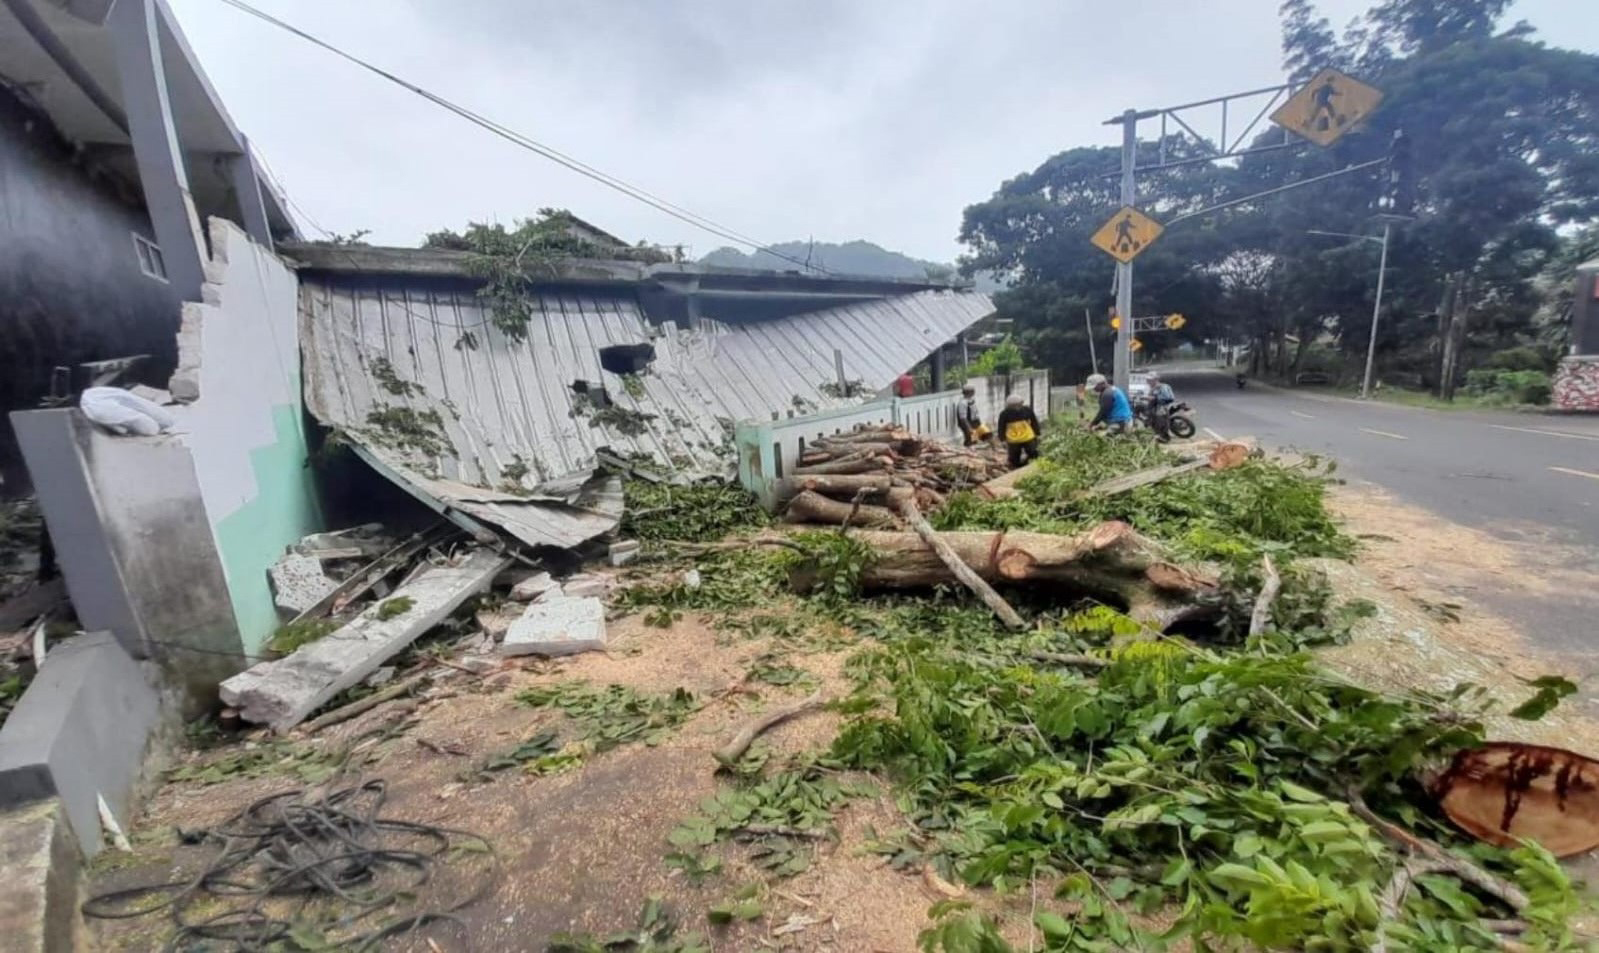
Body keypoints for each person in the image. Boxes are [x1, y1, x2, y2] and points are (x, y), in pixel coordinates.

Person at [996, 394, 1041, 468]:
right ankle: (1016, 467)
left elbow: (1034, 422)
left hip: (1027, 435)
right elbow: (1001, 427)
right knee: (1014, 456)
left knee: (1033, 452)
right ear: (1009, 406)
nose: (1016, 407)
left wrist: (1037, 433)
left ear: (1021, 403)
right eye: (1013, 406)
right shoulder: (1004, 414)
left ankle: (1032, 465)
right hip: (1013, 438)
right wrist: (1002, 439)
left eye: (1018, 405)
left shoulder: (1027, 410)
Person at [1147, 372, 1176, 441]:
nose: (1148, 382)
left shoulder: (1162, 387)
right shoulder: (1152, 388)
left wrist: (1155, 398)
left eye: (1150, 380)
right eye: (1148, 380)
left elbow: (1167, 397)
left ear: (1156, 380)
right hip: (1154, 407)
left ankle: (1163, 436)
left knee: (1160, 421)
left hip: (1162, 407)